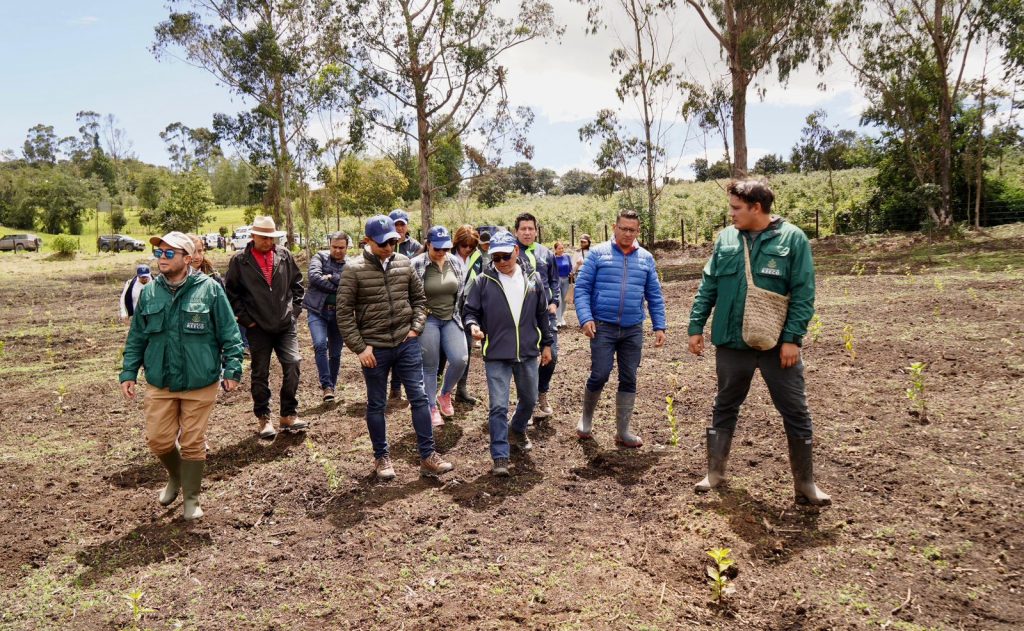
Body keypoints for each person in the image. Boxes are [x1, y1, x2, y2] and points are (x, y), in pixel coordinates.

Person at [688, 179, 830, 505]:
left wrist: (793, 339)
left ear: (756, 207)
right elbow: (708, 285)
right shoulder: (725, 239)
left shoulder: (793, 239)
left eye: (736, 208)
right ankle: (715, 473)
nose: (731, 214)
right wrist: (696, 326)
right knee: (724, 404)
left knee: (795, 410)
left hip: (777, 346)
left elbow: (804, 293)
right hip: (730, 342)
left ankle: (805, 485)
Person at [119, 231, 243, 520]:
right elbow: (137, 337)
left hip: (200, 380)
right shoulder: (149, 292)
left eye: (168, 253)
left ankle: (191, 498)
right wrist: (128, 371)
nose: (161, 258)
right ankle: (176, 476)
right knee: (158, 440)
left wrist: (233, 368)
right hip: (160, 381)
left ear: (187, 258)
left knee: (192, 442)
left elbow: (229, 332)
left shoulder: (210, 289)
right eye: (159, 253)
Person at [338, 215, 454, 479]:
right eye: (382, 244)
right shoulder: (353, 270)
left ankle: (428, 456)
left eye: (392, 241)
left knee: (420, 398)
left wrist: (416, 328)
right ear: (367, 241)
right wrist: (360, 348)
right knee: (377, 404)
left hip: (406, 343)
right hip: (374, 350)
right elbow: (344, 314)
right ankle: (382, 458)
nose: (389, 247)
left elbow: (420, 299)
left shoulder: (404, 263)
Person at [573, 210, 667, 448]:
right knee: (600, 373)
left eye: (632, 230)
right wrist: (585, 318)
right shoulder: (597, 254)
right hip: (602, 327)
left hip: (632, 328)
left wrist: (660, 326)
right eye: (623, 228)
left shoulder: (646, 258)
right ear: (615, 227)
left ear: (638, 231)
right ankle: (586, 419)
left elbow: (654, 295)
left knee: (629, 377)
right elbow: (582, 289)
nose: (627, 233)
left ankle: (623, 431)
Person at [463, 231, 553, 476]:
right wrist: (473, 326)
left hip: (526, 352)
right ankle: (500, 455)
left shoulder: (532, 279)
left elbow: (542, 314)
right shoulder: (483, 281)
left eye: (505, 256)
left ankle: (518, 427)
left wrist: (547, 343)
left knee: (530, 399)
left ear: (516, 250)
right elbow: (470, 311)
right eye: (496, 257)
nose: (501, 261)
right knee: (498, 406)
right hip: (496, 353)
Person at [225, 215, 306, 440]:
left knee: (293, 364)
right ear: (253, 236)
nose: (268, 242)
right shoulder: (240, 261)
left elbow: (297, 285)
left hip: (285, 324)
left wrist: (294, 312)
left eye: (272, 238)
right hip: (257, 326)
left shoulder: (284, 256)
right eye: (264, 237)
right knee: (260, 372)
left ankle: (288, 414)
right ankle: (264, 417)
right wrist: (246, 320)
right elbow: (231, 293)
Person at [411, 226, 468, 426]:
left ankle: (445, 394)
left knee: (460, 359)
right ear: (428, 245)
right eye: (437, 249)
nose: (442, 253)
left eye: (446, 248)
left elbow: (460, 294)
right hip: (428, 319)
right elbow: (411, 296)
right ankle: (431, 406)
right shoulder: (416, 264)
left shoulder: (455, 263)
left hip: (451, 316)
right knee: (430, 365)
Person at [514, 212, 560, 421]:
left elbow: (554, 281)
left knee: (551, 356)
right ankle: (527, 402)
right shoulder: (511, 253)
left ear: (535, 230)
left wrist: (554, 302)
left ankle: (542, 392)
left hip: (546, 315)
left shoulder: (546, 253)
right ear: (516, 231)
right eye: (523, 228)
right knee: (526, 360)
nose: (527, 232)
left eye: (530, 228)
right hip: (523, 317)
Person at [304, 232, 349, 402]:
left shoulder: (351, 264)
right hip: (317, 310)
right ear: (329, 245)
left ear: (347, 247)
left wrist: (332, 277)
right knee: (320, 344)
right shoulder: (320, 257)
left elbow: (350, 285)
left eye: (341, 248)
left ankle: (331, 387)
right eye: (334, 247)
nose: (337, 250)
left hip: (339, 313)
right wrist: (338, 285)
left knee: (336, 354)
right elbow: (314, 278)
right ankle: (326, 385)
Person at [387, 209, 424, 400]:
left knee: (404, 342)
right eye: (396, 224)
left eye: (402, 224)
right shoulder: (386, 245)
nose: (399, 228)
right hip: (386, 300)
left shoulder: (416, 246)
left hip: (407, 300)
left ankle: (397, 386)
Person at [451, 225, 482, 404]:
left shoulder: (477, 258)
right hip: (448, 307)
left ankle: (461, 389)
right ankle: (438, 390)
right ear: (457, 243)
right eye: (464, 246)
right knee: (442, 352)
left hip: (469, 307)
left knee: (467, 350)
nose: (467, 249)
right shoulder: (447, 255)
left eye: (471, 246)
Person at [553, 241, 572, 328]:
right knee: (559, 300)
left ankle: (561, 316)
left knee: (564, 299)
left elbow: (570, 267)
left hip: (566, 279)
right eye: (559, 248)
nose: (561, 250)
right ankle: (558, 320)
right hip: (557, 280)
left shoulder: (567, 257)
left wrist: (571, 273)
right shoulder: (553, 258)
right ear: (555, 249)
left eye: (562, 248)